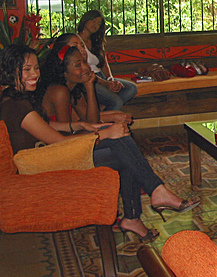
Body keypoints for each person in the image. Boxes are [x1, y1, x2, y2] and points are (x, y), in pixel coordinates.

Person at [0, 44, 198, 242]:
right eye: (27, 69)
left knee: (120, 142)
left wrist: (76, 124)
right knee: (119, 148)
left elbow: (43, 125)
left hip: (44, 154)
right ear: (10, 71)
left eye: (36, 67)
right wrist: (104, 134)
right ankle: (148, 199)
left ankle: (144, 204)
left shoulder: (17, 98)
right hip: (39, 163)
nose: (34, 73)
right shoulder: (16, 105)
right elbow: (59, 142)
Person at [38, 33, 133, 125]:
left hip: (73, 134)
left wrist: (89, 85)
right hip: (60, 139)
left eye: (82, 46)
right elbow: (69, 130)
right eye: (75, 46)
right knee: (115, 105)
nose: (82, 50)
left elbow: (90, 120)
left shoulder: (75, 85)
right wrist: (111, 121)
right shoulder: (59, 90)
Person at [77, 10, 137, 111]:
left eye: (98, 23)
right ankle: (101, 121)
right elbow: (82, 69)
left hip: (101, 76)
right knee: (116, 101)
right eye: (93, 21)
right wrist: (105, 84)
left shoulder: (96, 41)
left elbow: (104, 64)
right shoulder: (76, 41)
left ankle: (103, 110)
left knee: (132, 88)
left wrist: (110, 79)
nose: (95, 25)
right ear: (85, 20)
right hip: (88, 80)